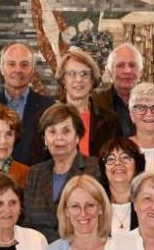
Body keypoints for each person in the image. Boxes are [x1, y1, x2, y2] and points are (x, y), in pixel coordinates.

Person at [21, 103, 102, 241]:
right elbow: (26, 223)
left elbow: (101, 217)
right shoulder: (34, 173)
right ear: (44, 138)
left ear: (78, 136)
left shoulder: (95, 168)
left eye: (66, 131)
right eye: (52, 132)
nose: (59, 138)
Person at [0, 43, 51, 165]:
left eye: (24, 64)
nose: (18, 70)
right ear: (1, 68)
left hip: (37, 180)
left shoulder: (48, 108)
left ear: (33, 69)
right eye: (11, 64)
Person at [55, 47, 104, 155]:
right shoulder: (49, 117)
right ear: (63, 79)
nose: (78, 80)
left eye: (84, 74)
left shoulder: (110, 120)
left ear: (92, 80)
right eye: (72, 73)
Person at [98, 137, 145, 235]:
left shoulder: (147, 204)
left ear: (137, 166)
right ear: (104, 169)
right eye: (110, 159)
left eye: (125, 158)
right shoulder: (95, 204)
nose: (118, 163)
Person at [102, 43, 144, 140]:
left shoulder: (152, 104)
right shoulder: (96, 103)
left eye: (132, 65)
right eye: (120, 65)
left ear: (140, 71)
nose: (127, 70)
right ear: (109, 72)